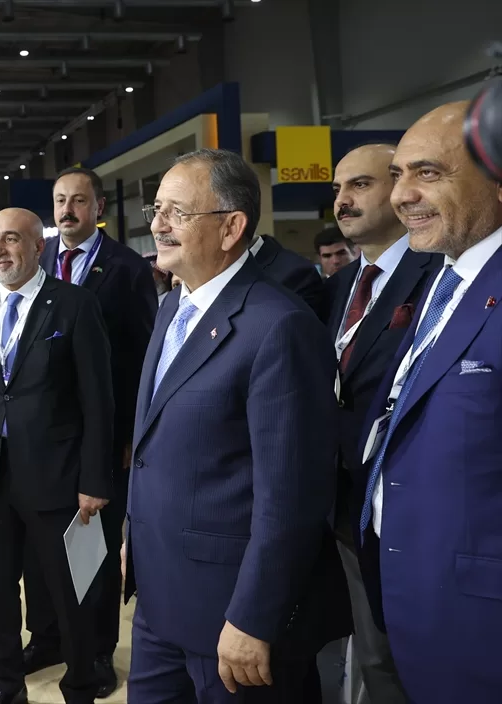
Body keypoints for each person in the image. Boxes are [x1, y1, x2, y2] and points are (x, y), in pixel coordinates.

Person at [124, 149, 350, 702]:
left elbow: (293, 496)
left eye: (177, 212)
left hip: (232, 618)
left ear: (231, 228)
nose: (158, 225)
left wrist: (254, 616)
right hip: (160, 598)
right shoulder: (172, 309)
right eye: (157, 209)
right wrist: (136, 537)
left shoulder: (279, 326)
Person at [359, 100, 502, 703]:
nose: (401, 195)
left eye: (428, 173)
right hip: (413, 598)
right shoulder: (443, 279)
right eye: (398, 174)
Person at [0, 207, 114, 704]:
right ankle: (8, 683)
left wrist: (94, 478)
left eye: (11, 239)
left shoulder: (74, 305)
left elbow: (97, 400)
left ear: (39, 247)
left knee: (70, 592)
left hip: (57, 476)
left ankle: (79, 685)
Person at [21, 167, 157, 698]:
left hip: (100, 434)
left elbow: (142, 360)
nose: (67, 210)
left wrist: (128, 435)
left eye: (78, 200)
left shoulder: (126, 269)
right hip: (40, 437)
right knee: (39, 546)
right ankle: (47, 637)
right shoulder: (37, 260)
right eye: (59, 200)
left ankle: (96, 649)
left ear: (98, 207)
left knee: (90, 549)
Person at [324, 143, 439, 703]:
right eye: (337, 189)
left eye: (360, 185)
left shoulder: (436, 273)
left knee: (405, 659)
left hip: (407, 504)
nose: (343, 201)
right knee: (369, 654)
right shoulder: (340, 285)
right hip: (343, 504)